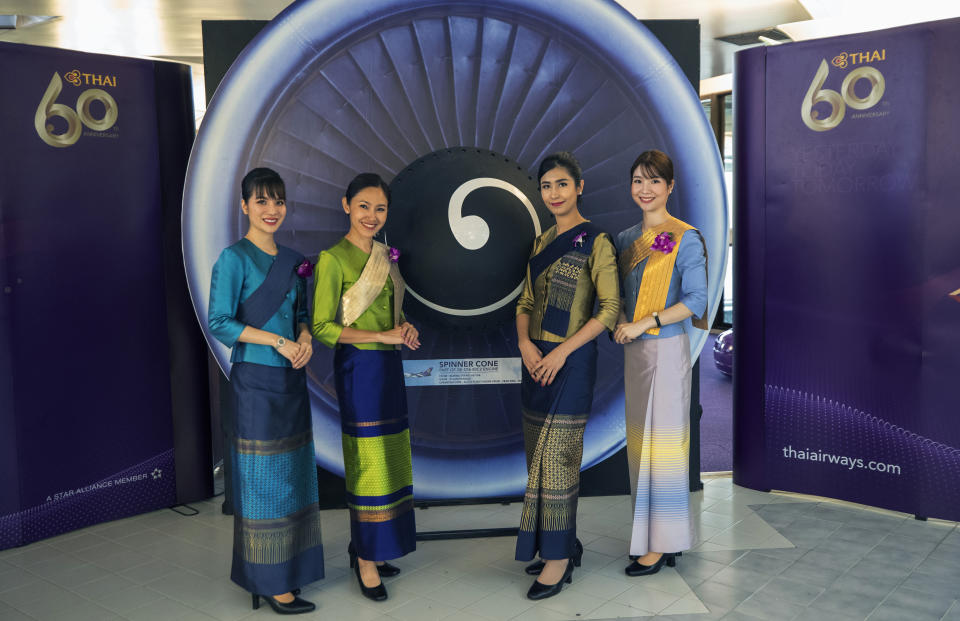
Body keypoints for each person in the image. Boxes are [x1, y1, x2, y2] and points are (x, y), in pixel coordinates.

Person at [208, 167, 323, 615]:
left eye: (278, 201)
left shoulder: (294, 260)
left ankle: (291, 569)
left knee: (294, 475)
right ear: (244, 206)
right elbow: (220, 322)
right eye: (261, 201)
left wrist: (306, 338)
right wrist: (277, 341)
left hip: (291, 381)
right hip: (255, 382)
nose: (271, 210)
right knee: (263, 481)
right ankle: (270, 580)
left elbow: (301, 314)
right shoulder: (232, 259)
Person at [514, 151, 620, 600]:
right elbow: (524, 303)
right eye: (546, 186)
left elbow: (610, 310)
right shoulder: (540, 244)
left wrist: (562, 353)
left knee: (558, 460)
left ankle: (558, 560)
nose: (553, 193)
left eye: (561, 184)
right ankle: (557, 543)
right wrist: (524, 344)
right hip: (534, 360)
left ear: (579, 187)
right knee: (536, 456)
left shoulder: (597, 241)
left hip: (571, 363)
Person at [311, 173, 420, 602]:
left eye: (380, 209)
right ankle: (366, 561)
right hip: (359, 369)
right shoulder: (331, 259)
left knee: (391, 456)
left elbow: (393, 316)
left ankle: (374, 545)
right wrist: (383, 337)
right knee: (367, 460)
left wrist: (404, 328)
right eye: (363, 207)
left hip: (389, 366)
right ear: (346, 206)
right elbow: (323, 328)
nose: (371, 216)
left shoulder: (385, 256)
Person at [613, 149, 708, 576]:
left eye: (654, 181)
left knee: (665, 446)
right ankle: (649, 537)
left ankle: (665, 543)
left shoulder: (686, 237)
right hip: (635, 352)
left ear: (670, 187)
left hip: (667, 350)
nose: (645, 189)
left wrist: (645, 322)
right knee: (639, 445)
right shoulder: (625, 239)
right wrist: (619, 320)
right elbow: (614, 296)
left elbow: (697, 300)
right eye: (638, 180)